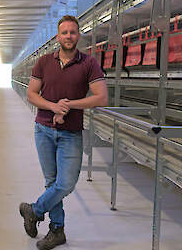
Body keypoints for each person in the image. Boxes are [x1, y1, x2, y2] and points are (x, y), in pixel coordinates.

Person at [19, 15, 108, 250]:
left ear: (78, 35)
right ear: (58, 37)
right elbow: (32, 94)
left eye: (72, 32)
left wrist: (68, 105)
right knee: (52, 182)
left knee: (66, 183)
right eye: (64, 32)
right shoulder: (43, 62)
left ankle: (34, 210)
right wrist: (53, 106)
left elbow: (101, 97)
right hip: (44, 129)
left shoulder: (89, 63)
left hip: (70, 132)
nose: (68, 36)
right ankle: (57, 230)